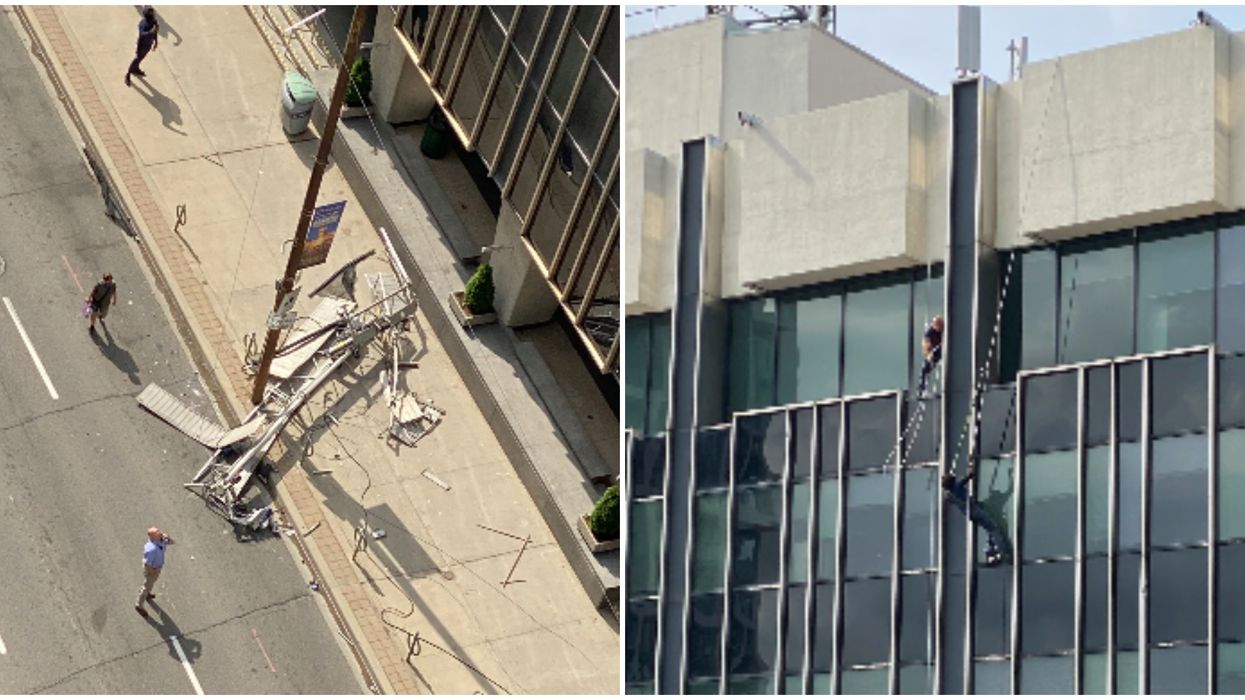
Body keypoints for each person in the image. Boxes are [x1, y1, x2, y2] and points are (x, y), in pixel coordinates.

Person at [942, 469, 1007, 566]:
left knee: (989, 529)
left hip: (970, 513)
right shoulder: (957, 487)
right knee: (994, 529)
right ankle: (1001, 552)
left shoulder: (951, 494)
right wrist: (971, 472)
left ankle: (989, 551)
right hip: (974, 511)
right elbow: (967, 478)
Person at [136, 527, 175, 617]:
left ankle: (148, 593)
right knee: (146, 586)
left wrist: (167, 537)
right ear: (152, 537)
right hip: (152, 569)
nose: (160, 532)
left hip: (157, 567)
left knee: (151, 583)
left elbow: (173, 542)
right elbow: (147, 564)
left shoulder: (161, 540)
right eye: (157, 532)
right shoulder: (151, 548)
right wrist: (152, 572)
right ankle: (139, 605)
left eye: (159, 530)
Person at [125, 6, 159, 87]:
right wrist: (151, 32)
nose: (153, 13)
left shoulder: (154, 21)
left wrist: (156, 41)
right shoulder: (143, 24)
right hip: (142, 44)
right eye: (151, 12)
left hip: (148, 44)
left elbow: (155, 31)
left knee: (141, 57)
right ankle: (128, 74)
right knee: (137, 58)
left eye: (153, 12)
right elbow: (142, 34)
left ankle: (136, 69)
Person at [918, 315, 944, 397]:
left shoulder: (944, 331)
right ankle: (922, 391)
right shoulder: (930, 332)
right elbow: (926, 344)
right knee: (924, 370)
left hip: (941, 350)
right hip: (934, 352)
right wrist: (929, 354)